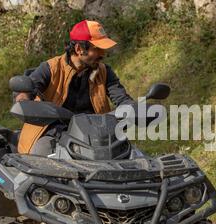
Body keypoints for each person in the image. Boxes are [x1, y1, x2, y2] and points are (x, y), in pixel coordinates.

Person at [14, 20, 135, 155]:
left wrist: (136, 109)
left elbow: (122, 98)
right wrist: (24, 100)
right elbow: (25, 90)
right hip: (53, 133)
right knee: (43, 153)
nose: (103, 54)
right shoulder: (51, 68)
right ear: (79, 49)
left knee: (130, 155)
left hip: (94, 137)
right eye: (97, 49)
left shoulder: (104, 71)